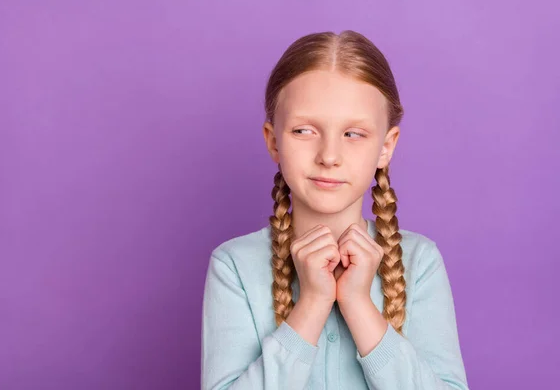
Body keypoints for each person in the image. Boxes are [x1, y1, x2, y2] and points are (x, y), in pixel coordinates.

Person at [201, 30, 469, 390]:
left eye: (354, 134)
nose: (328, 156)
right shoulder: (232, 265)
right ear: (273, 140)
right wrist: (311, 303)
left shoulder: (420, 262)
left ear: (386, 147)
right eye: (304, 130)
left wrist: (358, 303)